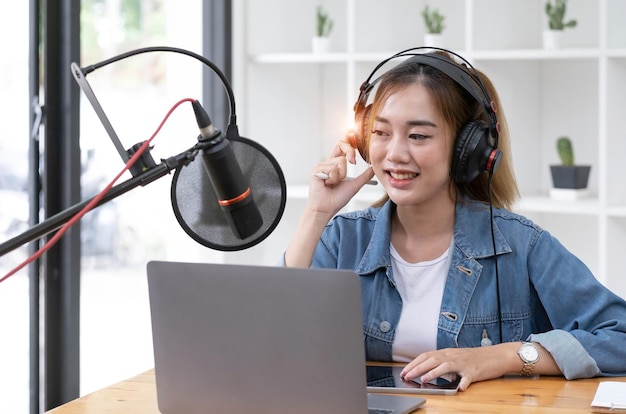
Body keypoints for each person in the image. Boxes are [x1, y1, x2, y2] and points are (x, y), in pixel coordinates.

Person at [282, 48, 626, 391]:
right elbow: (277, 340)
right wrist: (316, 214)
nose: (395, 153)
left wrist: (504, 357)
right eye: (381, 133)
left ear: (468, 148)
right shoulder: (344, 240)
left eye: (418, 135)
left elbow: (619, 336)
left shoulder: (521, 245)